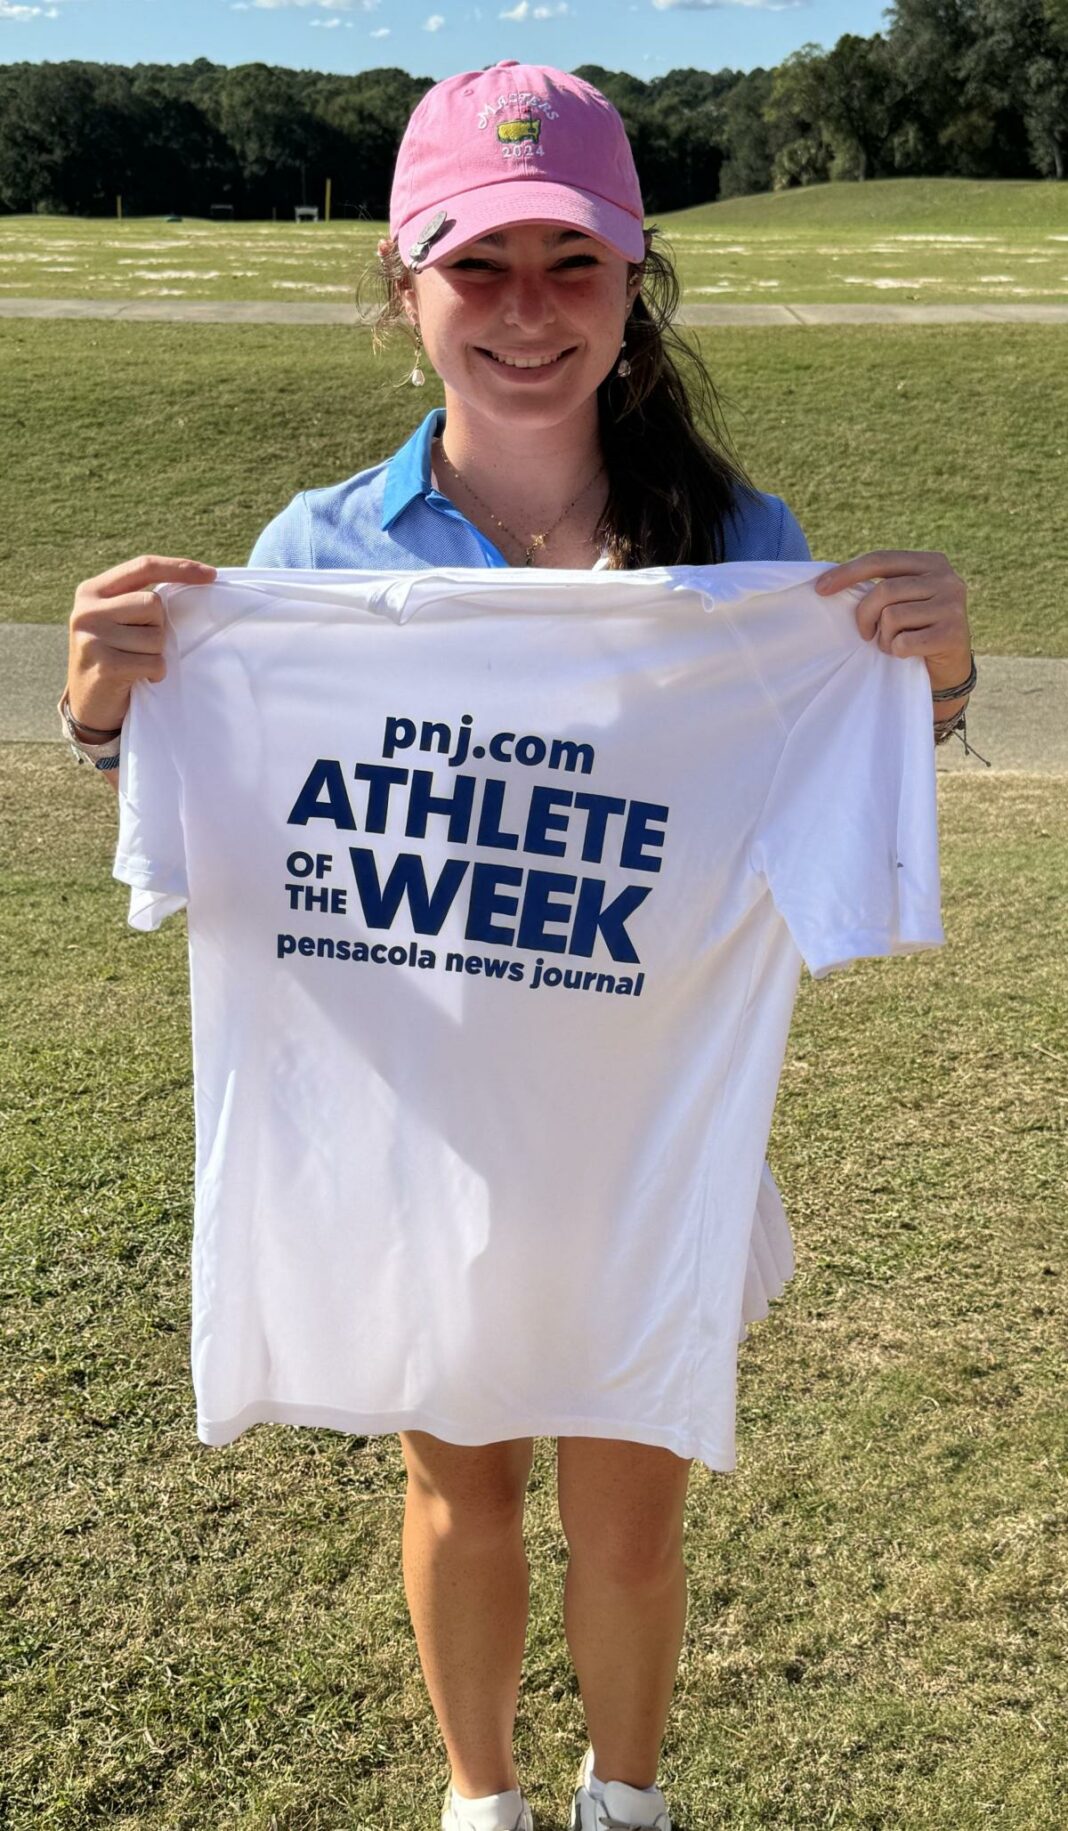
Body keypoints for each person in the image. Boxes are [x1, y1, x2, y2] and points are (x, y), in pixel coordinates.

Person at [60, 60, 978, 1831]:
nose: (527, 311)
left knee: (633, 1520)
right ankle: (482, 1807)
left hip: (641, 1138)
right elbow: (227, 851)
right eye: (479, 265)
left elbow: (825, 816)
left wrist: (923, 689)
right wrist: (114, 721)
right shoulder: (304, 568)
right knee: (457, 1494)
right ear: (407, 287)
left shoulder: (744, 562)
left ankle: (623, 1805)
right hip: (417, 1137)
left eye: (574, 262)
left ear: (637, 285)